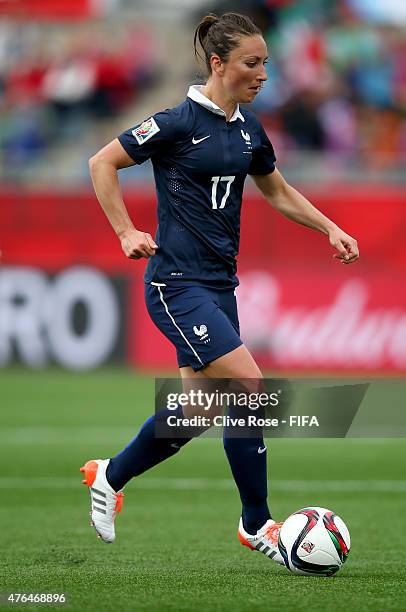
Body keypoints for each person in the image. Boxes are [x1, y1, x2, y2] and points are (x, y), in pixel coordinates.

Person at [81, 12, 359, 563]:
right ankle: (257, 524)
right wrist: (125, 231)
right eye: (252, 64)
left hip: (218, 286)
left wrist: (329, 225)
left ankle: (110, 474)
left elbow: (276, 192)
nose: (262, 74)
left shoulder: (249, 129)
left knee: (203, 409)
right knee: (249, 390)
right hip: (175, 284)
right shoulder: (176, 122)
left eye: (266, 64)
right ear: (218, 63)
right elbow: (101, 163)